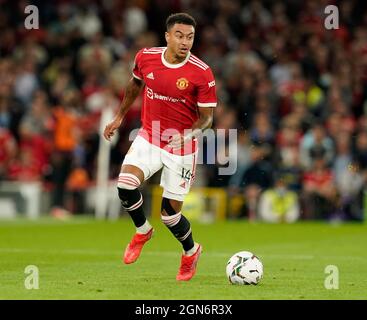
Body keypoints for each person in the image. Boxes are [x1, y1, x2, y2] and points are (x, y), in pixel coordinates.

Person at [103, 13, 217, 281]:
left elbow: (208, 119)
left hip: (181, 146)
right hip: (150, 136)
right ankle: (143, 231)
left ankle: (191, 252)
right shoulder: (146, 57)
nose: (185, 42)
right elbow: (135, 84)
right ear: (167, 36)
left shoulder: (201, 73)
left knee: (169, 215)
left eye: (190, 37)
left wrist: (188, 135)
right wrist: (119, 116)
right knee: (125, 185)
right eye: (179, 35)